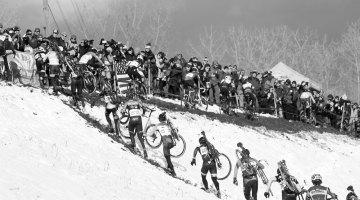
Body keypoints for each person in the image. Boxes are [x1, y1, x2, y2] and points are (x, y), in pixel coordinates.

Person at [191, 132, 221, 198]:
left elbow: (195, 150)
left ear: (200, 142)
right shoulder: (210, 145)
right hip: (213, 164)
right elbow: (216, 154)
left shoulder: (199, 147)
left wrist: (193, 158)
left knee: (203, 177)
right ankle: (218, 191)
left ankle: (207, 189)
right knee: (214, 179)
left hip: (205, 164)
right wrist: (219, 163)